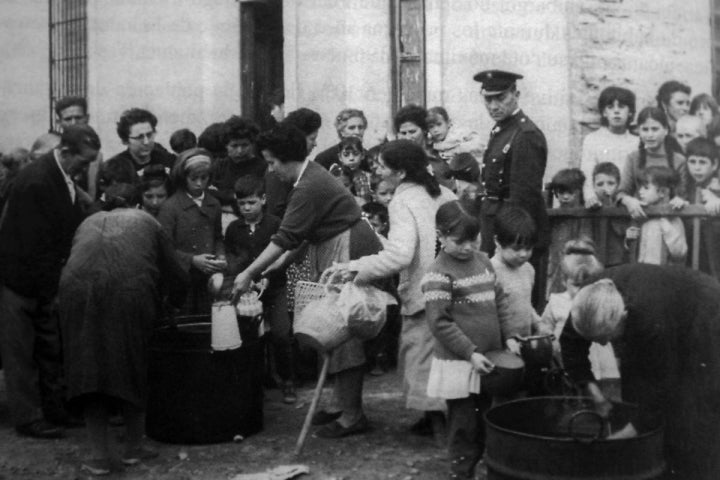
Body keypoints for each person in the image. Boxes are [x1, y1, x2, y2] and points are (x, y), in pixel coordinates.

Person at [232, 124, 386, 438]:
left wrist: (248, 272)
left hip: (348, 248)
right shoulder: (308, 176)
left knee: (345, 328)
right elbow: (300, 236)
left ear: (289, 159)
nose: (272, 171)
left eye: (273, 163)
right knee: (329, 328)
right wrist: (274, 267)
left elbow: (286, 236)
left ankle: (353, 415)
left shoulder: (307, 186)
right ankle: (342, 404)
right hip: (331, 244)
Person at [58, 184, 187, 475]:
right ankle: (133, 447)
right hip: (128, 292)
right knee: (133, 363)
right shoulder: (146, 221)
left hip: (75, 293)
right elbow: (176, 273)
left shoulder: (88, 222)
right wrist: (175, 304)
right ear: (136, 205)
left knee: (88, 366)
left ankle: (99, 457)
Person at [335, 140, 456, 441]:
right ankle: (438, 420)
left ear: (400, 172)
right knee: (447, 354)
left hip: (426, 290)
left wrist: (355, 268)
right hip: (456, 284)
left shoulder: (402, 202)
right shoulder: (445, 193)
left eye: (381, 165)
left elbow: (402, 256)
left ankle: (444, 433)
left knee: (422, 356)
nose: (375, 169)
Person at [560, 264, 720, 479]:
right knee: (635, 389)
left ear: (624, 316)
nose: (603, 343)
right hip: (658, 306)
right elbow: (570, 344)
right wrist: (595, 394)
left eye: (606, 338)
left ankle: (685, 468)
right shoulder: (588, 301)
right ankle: (644, 458)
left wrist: (627, 434)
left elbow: (662, 384)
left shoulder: (651, 321)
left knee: (692, 407)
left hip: (705, 311)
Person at [0, 125, 101, 439]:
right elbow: (33, 243)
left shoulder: (63, 174)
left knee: (50, 346)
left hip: (43, 278)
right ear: (66, 152)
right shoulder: (37, 180)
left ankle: (56, 410)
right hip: (18, 279)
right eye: (83, 163)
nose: (86, 169)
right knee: (20, 351)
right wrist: (53, 287)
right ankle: (28, 418)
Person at [422, 201, 508, 479]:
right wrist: (469, 352)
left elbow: (499, 302)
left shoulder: (484, 262)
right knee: (463, 423)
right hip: (460, 364)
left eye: (474, 239)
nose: (468, 247)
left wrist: (509, 339)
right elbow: (440, 323)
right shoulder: (438, 273)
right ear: (441, 236)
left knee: (485, 416)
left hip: (489, 359)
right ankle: (461, 470)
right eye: (460, 242)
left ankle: (481, 464)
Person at [473, 70, 549, 307]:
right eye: (488, 99)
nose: (494, 105)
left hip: (513, 238)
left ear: (516, 94)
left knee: (515, 304)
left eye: (500, 98)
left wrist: (508, 241)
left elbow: (523, 199)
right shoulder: (503, 129)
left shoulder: (525, 135)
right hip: (496, 228)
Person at [224, 175, 296, 404]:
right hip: (248, 293)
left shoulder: (275, 224)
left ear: (263, 199)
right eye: (242, 203)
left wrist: (269, 275)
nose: (246, 208)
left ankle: (288, 380)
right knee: (252, 337)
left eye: (251, 202)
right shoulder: (234, 229)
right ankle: (259, 381)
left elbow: (286, 253)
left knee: (281, 335)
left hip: (276, 289)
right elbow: (232, 258)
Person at [538, 238, 619, 399]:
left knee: (606, 390)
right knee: (573, 392)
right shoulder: (556, 301)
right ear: (563, 280)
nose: (581, 290)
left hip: (601, 359)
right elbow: (544, 325)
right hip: (567, 358)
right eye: (576, 284)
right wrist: (550, 337)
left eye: (586, 284)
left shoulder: (597, 300)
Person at [158, 148, 226, 315]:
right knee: (185, 323)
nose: (199, 183)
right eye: (193, 178)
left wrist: (221, 256)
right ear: (183, 178)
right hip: (182, 279)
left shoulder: (214, 204)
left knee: (208, 320)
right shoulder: (170, 207)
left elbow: (217, 237)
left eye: (204, 178)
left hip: (208, 279)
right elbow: (164, 248)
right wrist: (192, 260)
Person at [617, 106, 688, 219]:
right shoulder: (633, 158)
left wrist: (679, 200)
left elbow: (683, 195)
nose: (650, 135)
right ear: (639, 131)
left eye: (655, 129)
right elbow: (621, 192)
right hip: (640, 218)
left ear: (665, 130)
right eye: (645, 129)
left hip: (671, 219)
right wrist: (629, 200)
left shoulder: (679, 161)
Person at [489, 206, 542, 356]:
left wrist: (538, 322)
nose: (523, 254)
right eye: (516, 248)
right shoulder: (491, 271)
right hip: (501, 348)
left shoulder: (528, 269)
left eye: (529, 248)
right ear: (498, 242)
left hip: (524, 344)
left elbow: (526, 303)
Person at [580, 86, 638, 208]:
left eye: (621, 107)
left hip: (629, 204)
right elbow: (587, 173)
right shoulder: (593, 140)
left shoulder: (637, 142)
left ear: (630, 112)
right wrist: (591, 198)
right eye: (610, 107)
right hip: (601, 204)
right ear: (604, 112)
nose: (616, 111)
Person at [625, 166, 687, 266]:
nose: (640, 191)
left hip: (664, 275)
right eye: (640, 187)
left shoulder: (673, 219)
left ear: (662, 192)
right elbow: (634, 253)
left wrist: (666, 227)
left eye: (646, 188)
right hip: (644, 274)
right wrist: (629, 239)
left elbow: (679, 253)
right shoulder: (643, 217)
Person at [545, 168, 591, 295]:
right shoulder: (554, 216)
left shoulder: (583, 215)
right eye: (561, 192)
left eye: (570, 192)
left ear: (578, 191)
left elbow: (586, 239)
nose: (565, 197)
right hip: (555, 264)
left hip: (575, 266)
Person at [683, 137, 720, 279]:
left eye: (702, 162)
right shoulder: (685, 189)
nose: (696, 168)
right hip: (693, 252)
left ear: (715, 164)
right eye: (692, 162)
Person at [54, 96, 103, 200]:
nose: (73, 123)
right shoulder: (53, 153)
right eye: (68, 119)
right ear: (59, 122)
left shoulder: (95, 153)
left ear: (87, 118)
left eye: (78, 118)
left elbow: (92, 194)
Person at [394, 104, 453, 190]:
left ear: (424, 130)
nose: (407, 137)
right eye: (403, 133)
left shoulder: (441, 151)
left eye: (412, 132)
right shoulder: (397, 160)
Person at [107, 108, 175, 177]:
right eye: (139, 137)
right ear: (125, 141)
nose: (146, 142)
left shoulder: (162, 155)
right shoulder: (116, 168)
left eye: (149, 135)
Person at [590, 162, 629, 267]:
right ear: (593, 186)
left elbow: (621, 230)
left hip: (617, 260)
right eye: (600, 184)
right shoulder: (592, 204)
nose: (605, 188)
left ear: (618, 186)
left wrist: (609, 204)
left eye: (610, 183)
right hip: (596, 259)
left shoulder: (622, 207)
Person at [330, 136, 373, 202]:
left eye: (355, 154)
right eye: (346, 155)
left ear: (362, 155)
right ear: (340, 157)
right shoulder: (336, 177)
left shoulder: (369, 177)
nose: (351, 158)